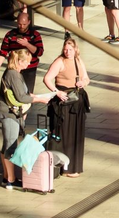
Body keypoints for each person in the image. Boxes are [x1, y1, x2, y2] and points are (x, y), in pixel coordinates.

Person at [0, 49, 62, 190]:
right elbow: (22, 97)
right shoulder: (13, 75)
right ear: (19, 61)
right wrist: (39, 99)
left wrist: (38, 96)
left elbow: (24, 93)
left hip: (10, 112)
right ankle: (10, 179)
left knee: (6, 145)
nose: (28, 65)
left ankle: (6, 176)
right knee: (10, 146)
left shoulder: (14, 73)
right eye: (26, 62)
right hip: (10, 114)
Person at [43, 37, 91, 177]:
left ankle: (74, 166)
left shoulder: (78, 60)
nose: (67, 52)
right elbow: (47, 78)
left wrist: (83, 82)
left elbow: (87, 78)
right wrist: (57, 92)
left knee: (76, 134)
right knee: (65, 134)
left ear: (75, 49)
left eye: (70, 49)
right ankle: (64, 167)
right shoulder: (60, 61)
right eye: (65, 49)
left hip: (77, 101)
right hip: (64, 103)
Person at [0, 11, 45, 91]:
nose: (22, 26)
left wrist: (27, 44)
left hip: (29, 69)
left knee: (27, 92)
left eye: (24, 24)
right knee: (9, 91)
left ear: (29, 22)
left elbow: (39, 52)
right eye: (20, 24)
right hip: (14, 68)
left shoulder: (34, 35)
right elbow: (3, 52)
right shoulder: (10, 35)